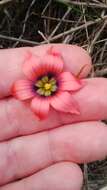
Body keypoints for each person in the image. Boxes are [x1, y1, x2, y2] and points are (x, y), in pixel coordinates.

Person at [0, 44, 107, 190]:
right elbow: (20, 90)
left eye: (49, 85)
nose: (48, 86)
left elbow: (71, 84)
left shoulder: (52, 87)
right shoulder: (32, 93)